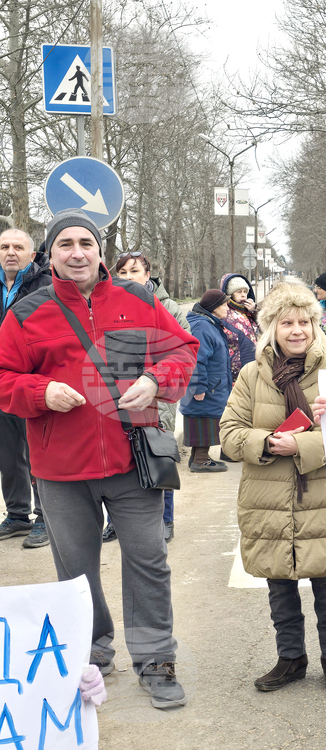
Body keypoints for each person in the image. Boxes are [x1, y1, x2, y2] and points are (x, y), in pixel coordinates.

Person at [0, 208, 198, 708]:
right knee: (76, 571)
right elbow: (4, 379)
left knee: (148, 561)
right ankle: (91, 650)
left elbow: (183, 350)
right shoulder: (25, 313)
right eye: (65, 244)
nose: (77, 252)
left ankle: (155, 659)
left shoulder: (138, 297)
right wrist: (42, 392)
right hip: (60, 469)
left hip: (134, 462)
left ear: (100, 249)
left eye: (85, 242)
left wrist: (156, 380)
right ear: (52, 254)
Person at [219, 283, 326, 694]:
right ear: (271, 327)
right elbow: (229, 433)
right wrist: (266, 442)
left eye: (305, 321)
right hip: (268, 497)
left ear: (316, 325)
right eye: (286, 322)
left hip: (324, 497)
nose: (297, 330)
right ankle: (290, 657)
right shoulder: (251, 375)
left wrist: (306, 442)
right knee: (280, 584)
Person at [105, 251, 190, 543]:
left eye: (134, 271)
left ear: (147, 274)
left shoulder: (165, 306)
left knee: (156, 454)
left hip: (156, 395)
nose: (129, 277)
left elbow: (183, 349)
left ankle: (165, 519)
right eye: (123, 272)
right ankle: (115, 521)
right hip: (116, 396)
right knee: (117, 458)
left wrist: (153, 378)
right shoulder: (108, 304)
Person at [0, 228, 51, 549]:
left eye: (18, 247)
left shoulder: (45, 285)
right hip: (2, 384)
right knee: (8, 455)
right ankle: (18, 515)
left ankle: (45, 516)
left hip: (32, 381)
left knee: (37, 452)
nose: (10, 252)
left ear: (31, 255)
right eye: (4, 246)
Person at [179, 289, 233, 472]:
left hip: (211, 384)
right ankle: (200, 461)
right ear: (214, 307)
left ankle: (198, 457)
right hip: (207, 386)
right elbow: (197, 360)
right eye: (225, 304)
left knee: (204, 417)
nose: (228, 308)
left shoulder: (209, 323)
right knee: (205, 417)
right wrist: (199, 386)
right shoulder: (202, 327)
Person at [220, 273, 259, 379]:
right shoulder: (224, 312)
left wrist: (255, 311)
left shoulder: (249, 311)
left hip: (254, 365)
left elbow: (264, 328)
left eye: (245, 292)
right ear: (230, 294)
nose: (243, 295)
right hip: (235, 369)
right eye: (239, 292)